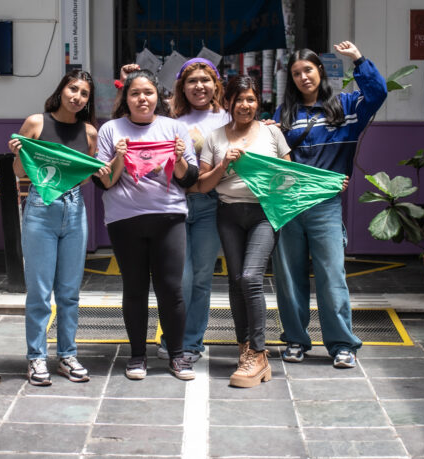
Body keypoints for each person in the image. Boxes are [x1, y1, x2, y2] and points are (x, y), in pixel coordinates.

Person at [272, 41, 387, 369]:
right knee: (289, 277)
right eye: (296, 73)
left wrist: (358, 59)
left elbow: (378, 93)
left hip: (324, 205)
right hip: (290, 204)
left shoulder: (348, 107)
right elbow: (277, 157)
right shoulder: (285, 115)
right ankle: (295, 340)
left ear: (319, 71)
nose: (302, 77)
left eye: (307, 69)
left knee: (331, 275)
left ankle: (341, 345)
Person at [95, 68, 199, 381]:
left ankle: (177, 356)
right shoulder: (110, 130)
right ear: (125, 98)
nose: (143, 98)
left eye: (148, 93)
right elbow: (104, 183)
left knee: (171, 289)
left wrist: (179, 158)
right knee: (135, 289)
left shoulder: (175, 128)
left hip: (169, 218)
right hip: (125, 220)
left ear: (158, 97)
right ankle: (137, 356)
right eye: (135, 93)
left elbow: (189, 179)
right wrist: (117, 158)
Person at [8, 69, 109, 386]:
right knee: (39, 292)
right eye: (73, 89)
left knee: (69, 293)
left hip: (75, 208)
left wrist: (99, 169)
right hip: (40, 208)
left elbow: (83, 176)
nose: (77, 97)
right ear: (62, 89)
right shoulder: (36, 123)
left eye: (84, 94)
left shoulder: (90, 133)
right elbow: (20, 173)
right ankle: (36, 359)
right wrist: (18, 152)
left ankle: (67, 355)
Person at [196, 75, 291, 387]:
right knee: (236, 283)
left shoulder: (272, 133)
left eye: (251, 99)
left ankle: (260, 352)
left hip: (264, 213)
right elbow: (202, 184)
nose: (245, 105)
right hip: (229, 213)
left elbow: (291, 176)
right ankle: (244, 350)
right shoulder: (214, 138)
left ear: (257, 103)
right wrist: (224, 164)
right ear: (228, 103)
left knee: (251, 277)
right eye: (239, 100)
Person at [144, 58, 230, 362]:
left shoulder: (228, 119)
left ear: (216, 84)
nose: (199, 86)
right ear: (182, 86)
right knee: (180, 277)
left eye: (205, 80)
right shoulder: (167, 118)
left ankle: (192, 343)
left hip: (210, 205)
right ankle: (172, 336)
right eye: (192, 81)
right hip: (173, 204)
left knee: (202, 277)